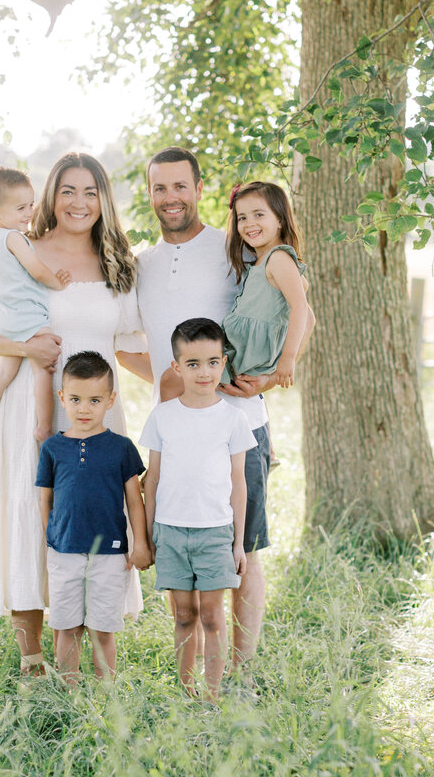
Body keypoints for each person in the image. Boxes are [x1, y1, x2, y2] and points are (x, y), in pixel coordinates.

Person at [129, 147, 312, 675]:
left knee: (243, 548)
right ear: (149, 193)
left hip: (240, 424)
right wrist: (178, 382)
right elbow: (125, 347)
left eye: (180, 186)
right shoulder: (144, 264)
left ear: (199, 188)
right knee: (182, 546)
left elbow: (296, 310)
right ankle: (195, 674)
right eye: (159, 188)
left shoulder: (235, 249)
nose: (170, 197)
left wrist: (273, 376)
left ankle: (242, 672)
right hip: (175, 433)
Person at [0, 153, 146, 679]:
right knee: (29, 513)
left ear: (103, 199)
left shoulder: (119, 264)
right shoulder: (21, 250)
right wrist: (25, 348)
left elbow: (129, 349)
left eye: (90, 192)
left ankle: (90, 661)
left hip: (100, 413)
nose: (79, 202)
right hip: (30, 404)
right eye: (67, 191)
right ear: (50, 196)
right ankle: (33, 663)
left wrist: (193, 388)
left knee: (93, 518)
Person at [141, 318, 255, 701]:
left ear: (223, 362)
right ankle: (185, 690)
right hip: (171, 531)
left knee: (211, 615)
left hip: (215, 531)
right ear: (176, 367)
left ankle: (213, 692)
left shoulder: (233, 419)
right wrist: (149, 532)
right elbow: (152, 479)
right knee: (183, 615)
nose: (202, 372)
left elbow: (238, 484)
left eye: (210, 362)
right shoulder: (163, 416)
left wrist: (238, 542)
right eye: (192, 363)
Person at [36, 351, 151, 686]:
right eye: (75, 399)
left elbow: (134, 499)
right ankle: (69, 694)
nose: (84, 409)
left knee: (102, 629)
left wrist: (140, 544)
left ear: (110, 401)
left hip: (110, 555)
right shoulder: (53, 449)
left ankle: (105, 696)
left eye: (94, 400)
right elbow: (46, 497)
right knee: (66, 627)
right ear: (62, 398)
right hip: (64, 553)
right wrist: (52, 538)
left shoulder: (121, 447)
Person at [0, 167, 71, 453]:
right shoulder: (14, 238)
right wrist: (56, 281)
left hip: (4, 320)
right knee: (43, 369)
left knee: (4, 374)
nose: (29, 213)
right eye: (20, 208)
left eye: (31, 205)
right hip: (28, 317)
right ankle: (43, 427)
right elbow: (36, 269)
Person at [222, 180, 314, 388]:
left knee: (176, 380)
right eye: (242, 217)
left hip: (250, 360)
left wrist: (288, 358)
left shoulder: (279, 258)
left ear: (280, 219)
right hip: (237, 352)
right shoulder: (261, 260)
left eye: (259, 214)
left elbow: (300, 308)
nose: (249, 223)